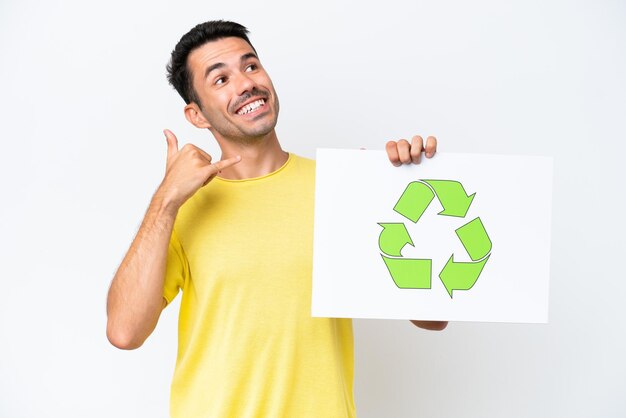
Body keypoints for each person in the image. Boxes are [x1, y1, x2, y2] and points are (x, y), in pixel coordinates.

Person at [106, 20, 447, 418]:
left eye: (251, 66)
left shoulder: (340, 189)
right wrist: (165, 199)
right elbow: (124, 332)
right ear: (196, 115)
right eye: (220, 79)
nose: (245, 83)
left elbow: (432, 319)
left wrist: (399, 194)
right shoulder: (182, 208)